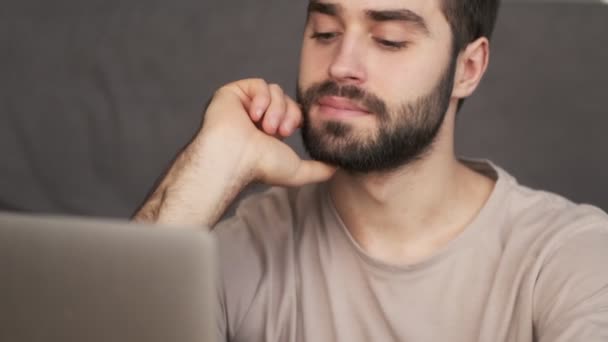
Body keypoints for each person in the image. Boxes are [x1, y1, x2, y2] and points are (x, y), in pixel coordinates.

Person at [134, 0, 608, 341]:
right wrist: (210, 167)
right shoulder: (248, 248)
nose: (341, 65)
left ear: (467, 68)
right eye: (324, 31)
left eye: (389, 40)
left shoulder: (570, 257)